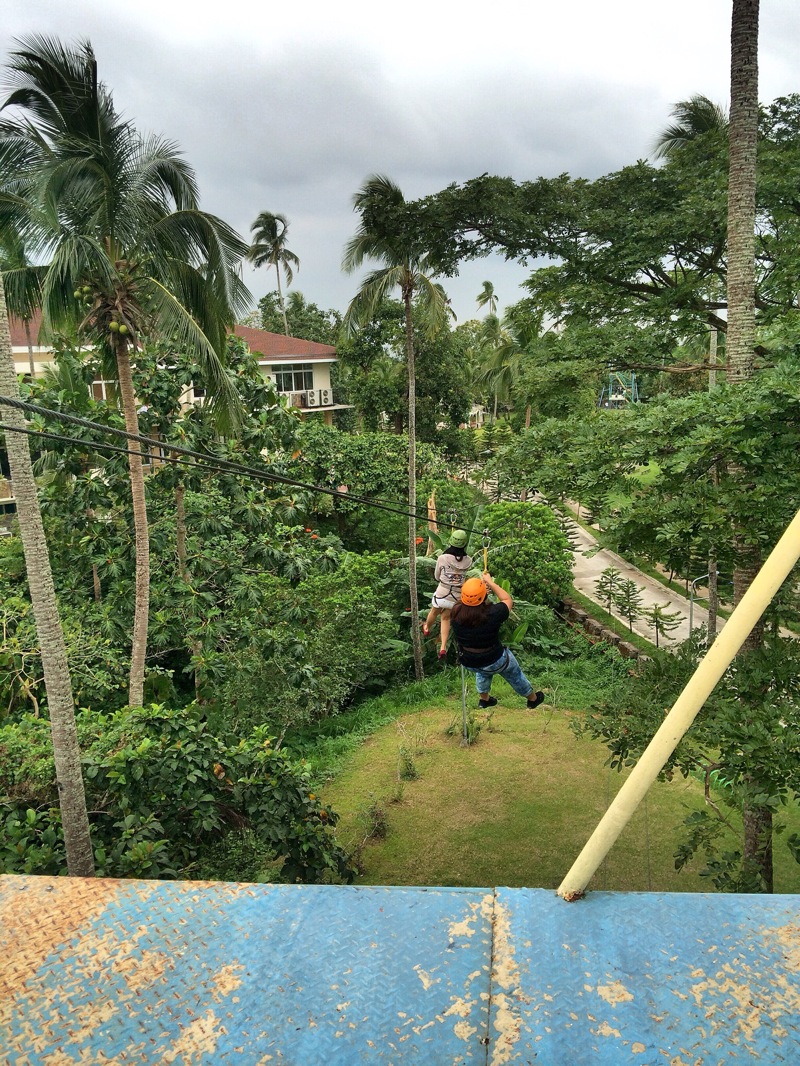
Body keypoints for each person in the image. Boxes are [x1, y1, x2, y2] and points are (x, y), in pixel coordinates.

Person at [450, 572, 545, 710]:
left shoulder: (455, 612)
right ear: (483, 597)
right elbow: (507, 599)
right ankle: (532, 699)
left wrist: (482, 594)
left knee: (482, 670)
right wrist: (491, 583)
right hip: (495, 661)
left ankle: (485, 700)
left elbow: (470, 607)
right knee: (513, 671)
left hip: (469, 662)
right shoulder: (493, 613)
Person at [423, 529, 473, 659]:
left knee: (434, 612)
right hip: (456, 597)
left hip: (442, 594)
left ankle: (427, 627)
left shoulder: (442, 558)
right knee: (446, 618)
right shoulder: (468, 561)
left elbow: (437, 576)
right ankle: (443, 647)